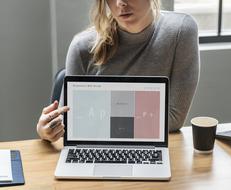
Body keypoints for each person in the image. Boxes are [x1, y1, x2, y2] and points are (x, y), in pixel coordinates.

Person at [37, 0, 200, 142]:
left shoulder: (181, 31)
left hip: (152, 150)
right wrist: (46, 129)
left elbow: (173, 119)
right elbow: (71, 124)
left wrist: (97, 119)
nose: (120, 3)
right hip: (98, 150)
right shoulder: (82, 47)